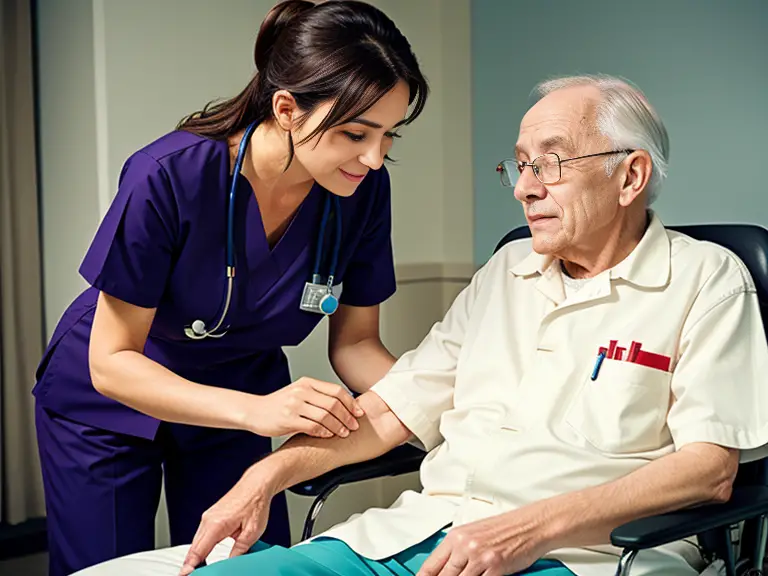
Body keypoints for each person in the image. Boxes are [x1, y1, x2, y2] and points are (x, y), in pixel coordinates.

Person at [74, 75, 768, 576]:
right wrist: (268, 476)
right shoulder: (507, 273)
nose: (525, 186)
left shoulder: (705, 279)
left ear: (630, 176)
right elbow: (393, 409)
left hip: (574, 556)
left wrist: (524, 528)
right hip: (413, 537)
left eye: (550, 163)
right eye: (520, 166)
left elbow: (708, 471)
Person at [32, 1, 429, 575]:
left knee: (238, 565)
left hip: (239, 397)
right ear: (288, 109)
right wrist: (257, 413)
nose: (373, 157)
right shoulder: (169, 175)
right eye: (354, 133)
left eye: (389, 135)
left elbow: (356, 346)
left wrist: (441, 405)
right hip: (112, 402)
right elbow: (112, 362)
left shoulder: (362, 191)